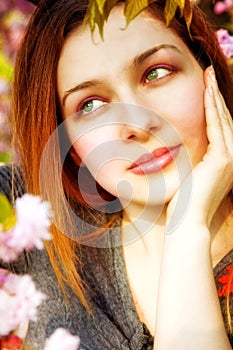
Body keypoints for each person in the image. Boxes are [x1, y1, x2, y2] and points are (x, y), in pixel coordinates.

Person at [0, 0, 233, 349]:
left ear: (208, 70)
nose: (137, 124)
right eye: (90, 105)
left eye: (156, 73)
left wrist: (187, 229)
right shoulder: (23, 217)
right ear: (70, 146)